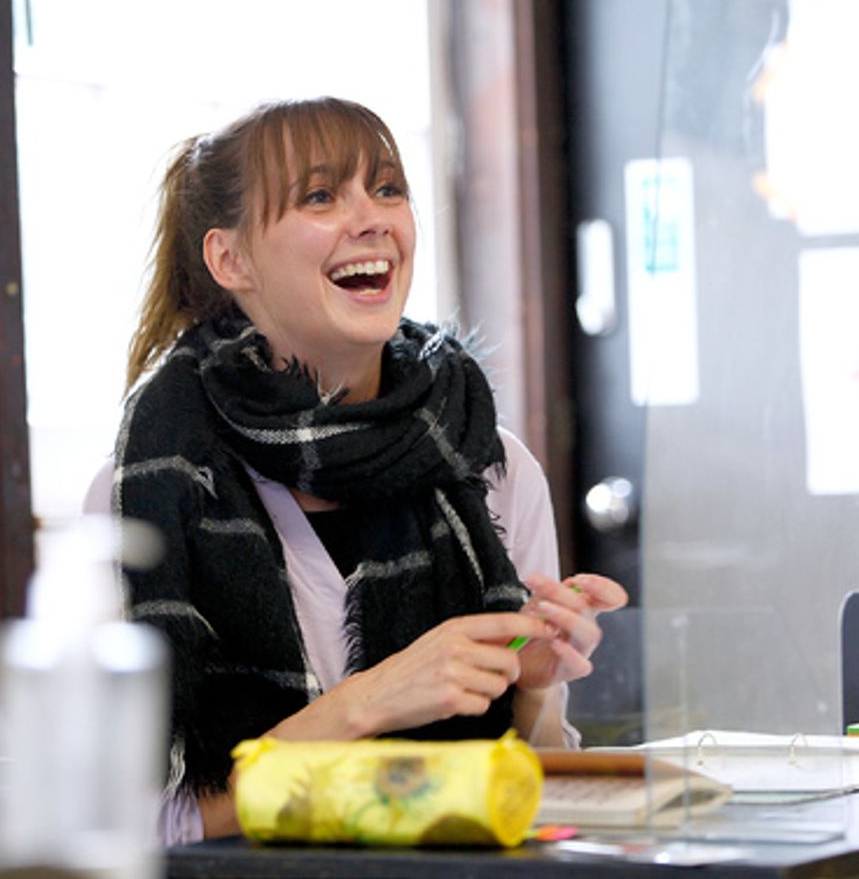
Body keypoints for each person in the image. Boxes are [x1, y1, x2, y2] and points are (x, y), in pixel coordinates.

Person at [94, 97, 626, 842]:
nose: (372, 218)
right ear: (230, 259)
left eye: (387, 189)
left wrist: (532, 689)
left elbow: (533, 804)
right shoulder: (149, 493)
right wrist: (369, 702)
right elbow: (142, 824)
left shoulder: (491, 466)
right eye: (320, 196)